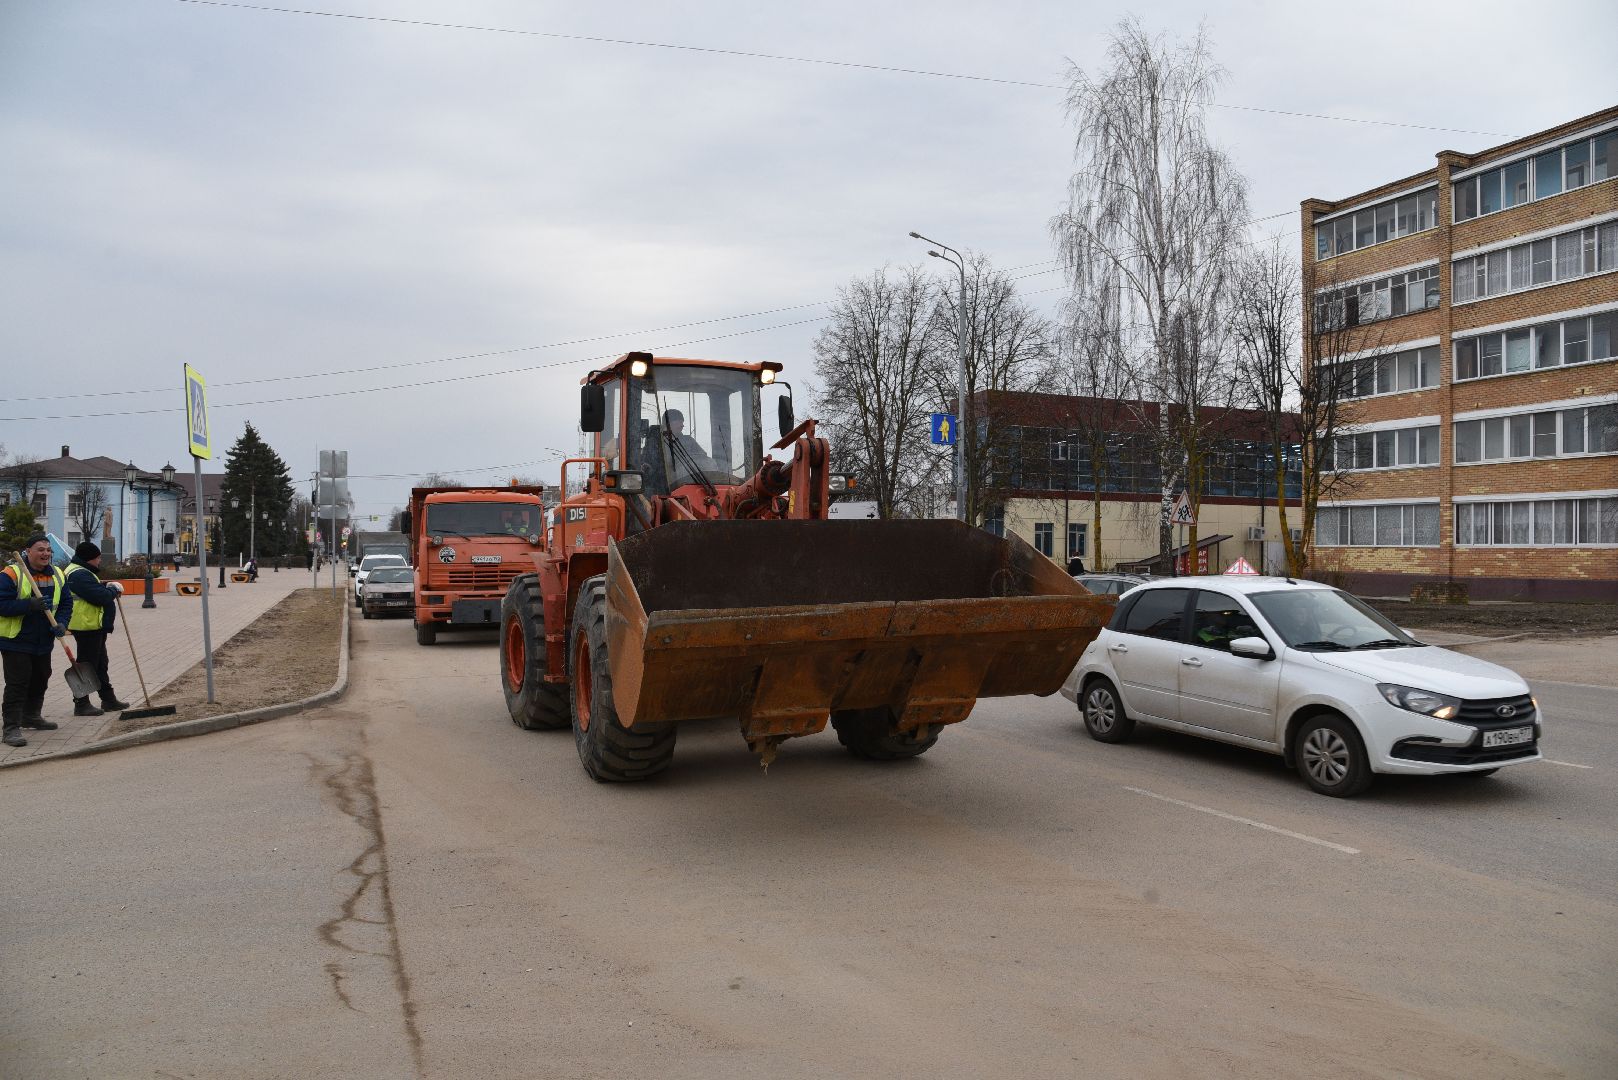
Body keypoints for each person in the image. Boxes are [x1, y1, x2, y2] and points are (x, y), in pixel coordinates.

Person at [0, 535, 73, 747]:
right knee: (18, 682)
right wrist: (29, 605)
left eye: (48, 550)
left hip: (44, 639)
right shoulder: (11, 574)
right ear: (28, 552)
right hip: (15, 640)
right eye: (40, 550)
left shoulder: (58, 574)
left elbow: (67, 602)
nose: (46, 554)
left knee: (41, 677)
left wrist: (61, 623)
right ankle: (11, 727)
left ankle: (31, 715)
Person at [62, 541, 129, 717]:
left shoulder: (82, 572)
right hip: (86, 625)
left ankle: (108, 699)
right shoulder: (79, 574)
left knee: (100, 663)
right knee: (87, 664)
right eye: (98, 558)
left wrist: (106, 586)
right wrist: (113, 590)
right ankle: (81, 703)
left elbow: (95, 590)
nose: (99, 561)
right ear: (89, 558)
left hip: (91, 625)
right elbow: (99, 597)